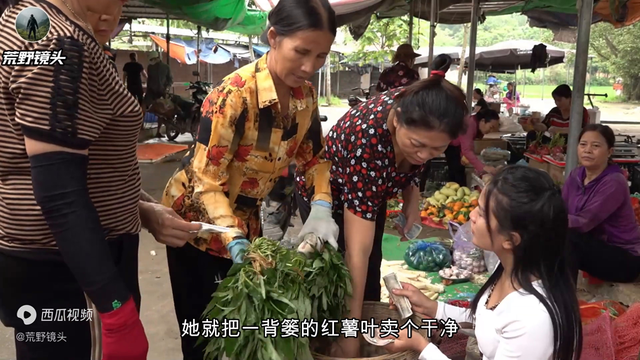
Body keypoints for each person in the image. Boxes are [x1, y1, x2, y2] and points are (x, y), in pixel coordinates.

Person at [0, 0, 200, 359]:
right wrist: (115, 308)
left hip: (61, 261)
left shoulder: (34, 21)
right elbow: (60, 194)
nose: (114, 12)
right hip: (74, 269)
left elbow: (75, 166)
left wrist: (142, 209)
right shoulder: (56, 42)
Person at [160, 1, 339, 359]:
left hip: (247, 216)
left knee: (247, 325)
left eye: (321, 56)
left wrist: (321, 204)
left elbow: (315, 157)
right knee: (202, 330)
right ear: (273, 37)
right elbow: (206, 179)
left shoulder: (304, 95)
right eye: (301, 52)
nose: (309, 67)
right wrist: (232, 237)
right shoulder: (234, 95)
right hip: (196, 223)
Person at [296, 54, 469, 358]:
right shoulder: (367, 137)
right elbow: (356, 251)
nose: (425, 155)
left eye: (437, 149)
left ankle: (362, 331)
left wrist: (411, 202)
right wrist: (350, 338)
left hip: (372, 188)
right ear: (397, 118)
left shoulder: (420, 109)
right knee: (338, 271)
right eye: (417, 145)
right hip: (329, 197)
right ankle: (336, 340)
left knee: (371, 267)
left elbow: (415, 164)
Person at [385, 166, 583, 360]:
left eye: (481, 213)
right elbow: (487, 321)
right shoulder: (507, 267)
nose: (471, 216)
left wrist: (421, 347)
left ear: (511, 240)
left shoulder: (532, 317)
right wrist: (431, 307)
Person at [563, 124, 640, 283]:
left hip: (625, 258)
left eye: (596, 146)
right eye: (583, 144)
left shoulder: (614, 182)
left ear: (609, 152)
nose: (587, 150)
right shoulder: (576, 175)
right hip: (595, 246)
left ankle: (564, 299)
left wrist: (544, 219)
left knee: (567, 238)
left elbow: (584, 222)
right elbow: (560, 209)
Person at [446, 109, 501, 185]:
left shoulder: (473, 122)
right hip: (450, 145)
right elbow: (467, 150)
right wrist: (483, 167)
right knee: (457, 175)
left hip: (454, 145)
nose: (490, 131)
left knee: (458, 173)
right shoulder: (470, 124)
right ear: (482, 121)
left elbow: (466, 144)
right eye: (491, 127)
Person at [526, 85, 590, 146]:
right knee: (532, 134)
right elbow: (545, 127)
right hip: (552, 141)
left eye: (559, 100)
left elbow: (584, 131)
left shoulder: (580, 112)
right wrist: (535, 124)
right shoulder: (554, 111)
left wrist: (559, 130)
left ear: (569, 98)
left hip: (570, 144)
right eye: (555, 100)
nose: (557, 103)